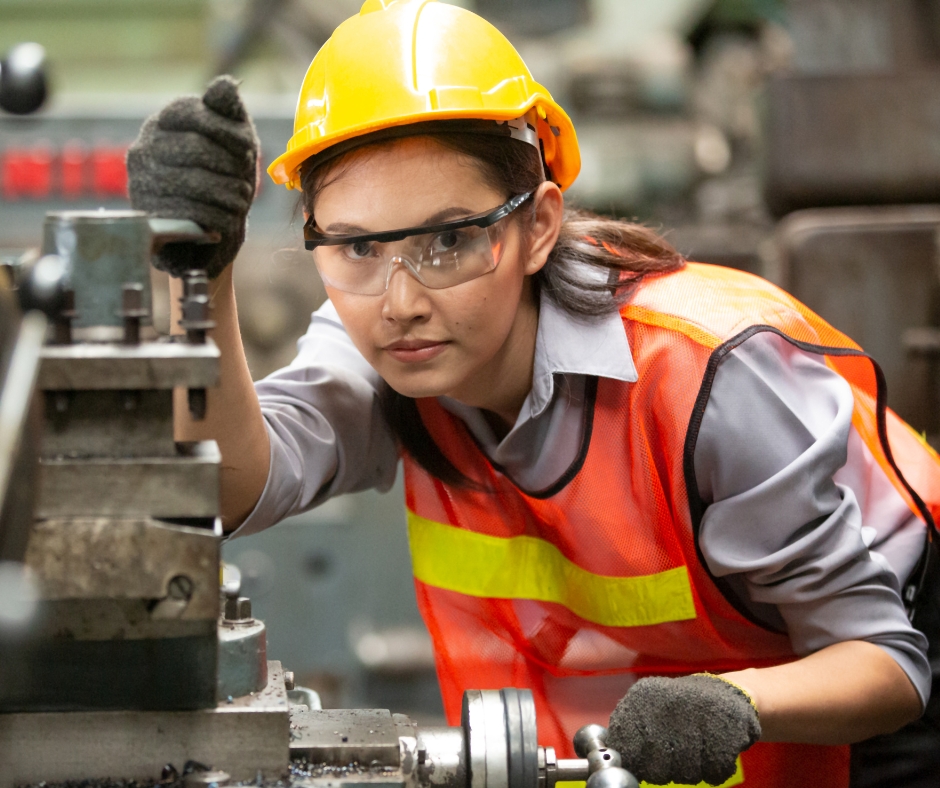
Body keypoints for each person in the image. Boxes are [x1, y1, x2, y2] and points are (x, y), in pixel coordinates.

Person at [126, 1, 940, 785]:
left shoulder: (706, 377)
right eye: (358, 247)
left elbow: (888, 663)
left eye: (449, 240)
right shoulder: (388, 350)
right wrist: (200, 272)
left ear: (537, 226)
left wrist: (734, 700)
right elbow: (229, 487)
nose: (400, 300)